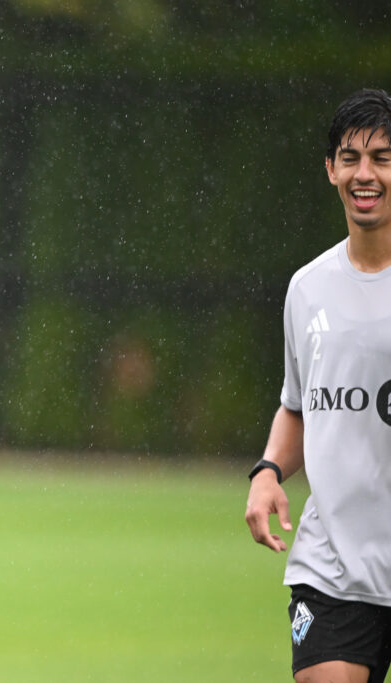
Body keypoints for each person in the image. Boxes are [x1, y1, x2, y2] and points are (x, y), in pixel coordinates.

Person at [245, 88, 391, 683]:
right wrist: (266, 472)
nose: (366, 174)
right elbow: (299, 406)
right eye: (351, 157)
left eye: (382, 157)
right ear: (330, 169)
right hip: (331, 572)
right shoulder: (307, 289)